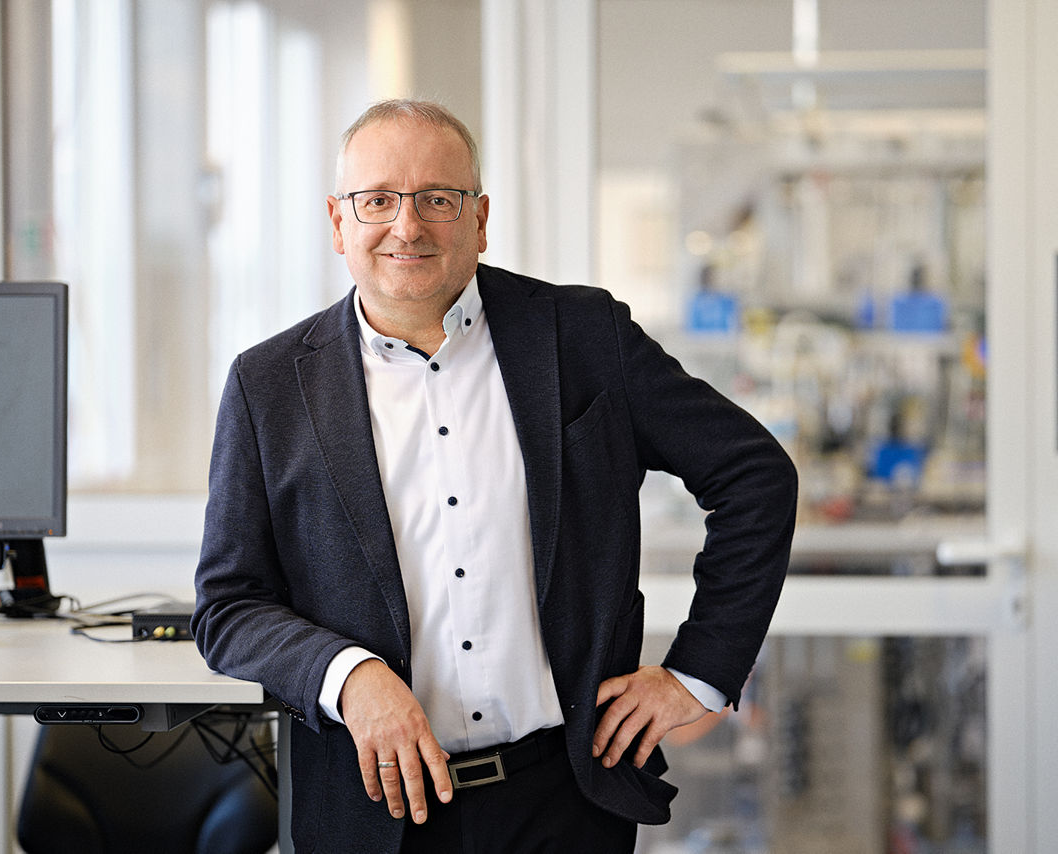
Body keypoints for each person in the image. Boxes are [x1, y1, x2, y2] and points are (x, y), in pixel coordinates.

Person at [192, 99, 797, 854]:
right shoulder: (270, 385)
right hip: (369, 810)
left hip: (564, 801)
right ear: (338, 221)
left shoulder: (582, 337)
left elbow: (754, 475)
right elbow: (229, 605)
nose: (406, 227)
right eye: (377, 200)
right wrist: (350, 677)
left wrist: (699, 671)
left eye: (436, 200)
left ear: (478, 220)